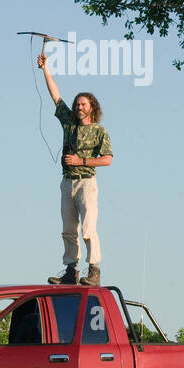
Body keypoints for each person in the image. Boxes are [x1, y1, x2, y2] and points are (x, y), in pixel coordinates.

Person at [37, 51, 112, 286]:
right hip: (66, 181)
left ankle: (94, 270)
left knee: (88, 228)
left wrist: (81, 161)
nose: (79, 106)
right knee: (68, 228)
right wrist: (45, 69)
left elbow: (107, 159)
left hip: (86, 182)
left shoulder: (99, 131)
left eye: (83, 104)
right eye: (77, 103)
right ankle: (71, 270)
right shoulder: (69, 121)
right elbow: (56, 96)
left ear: (91, 107)